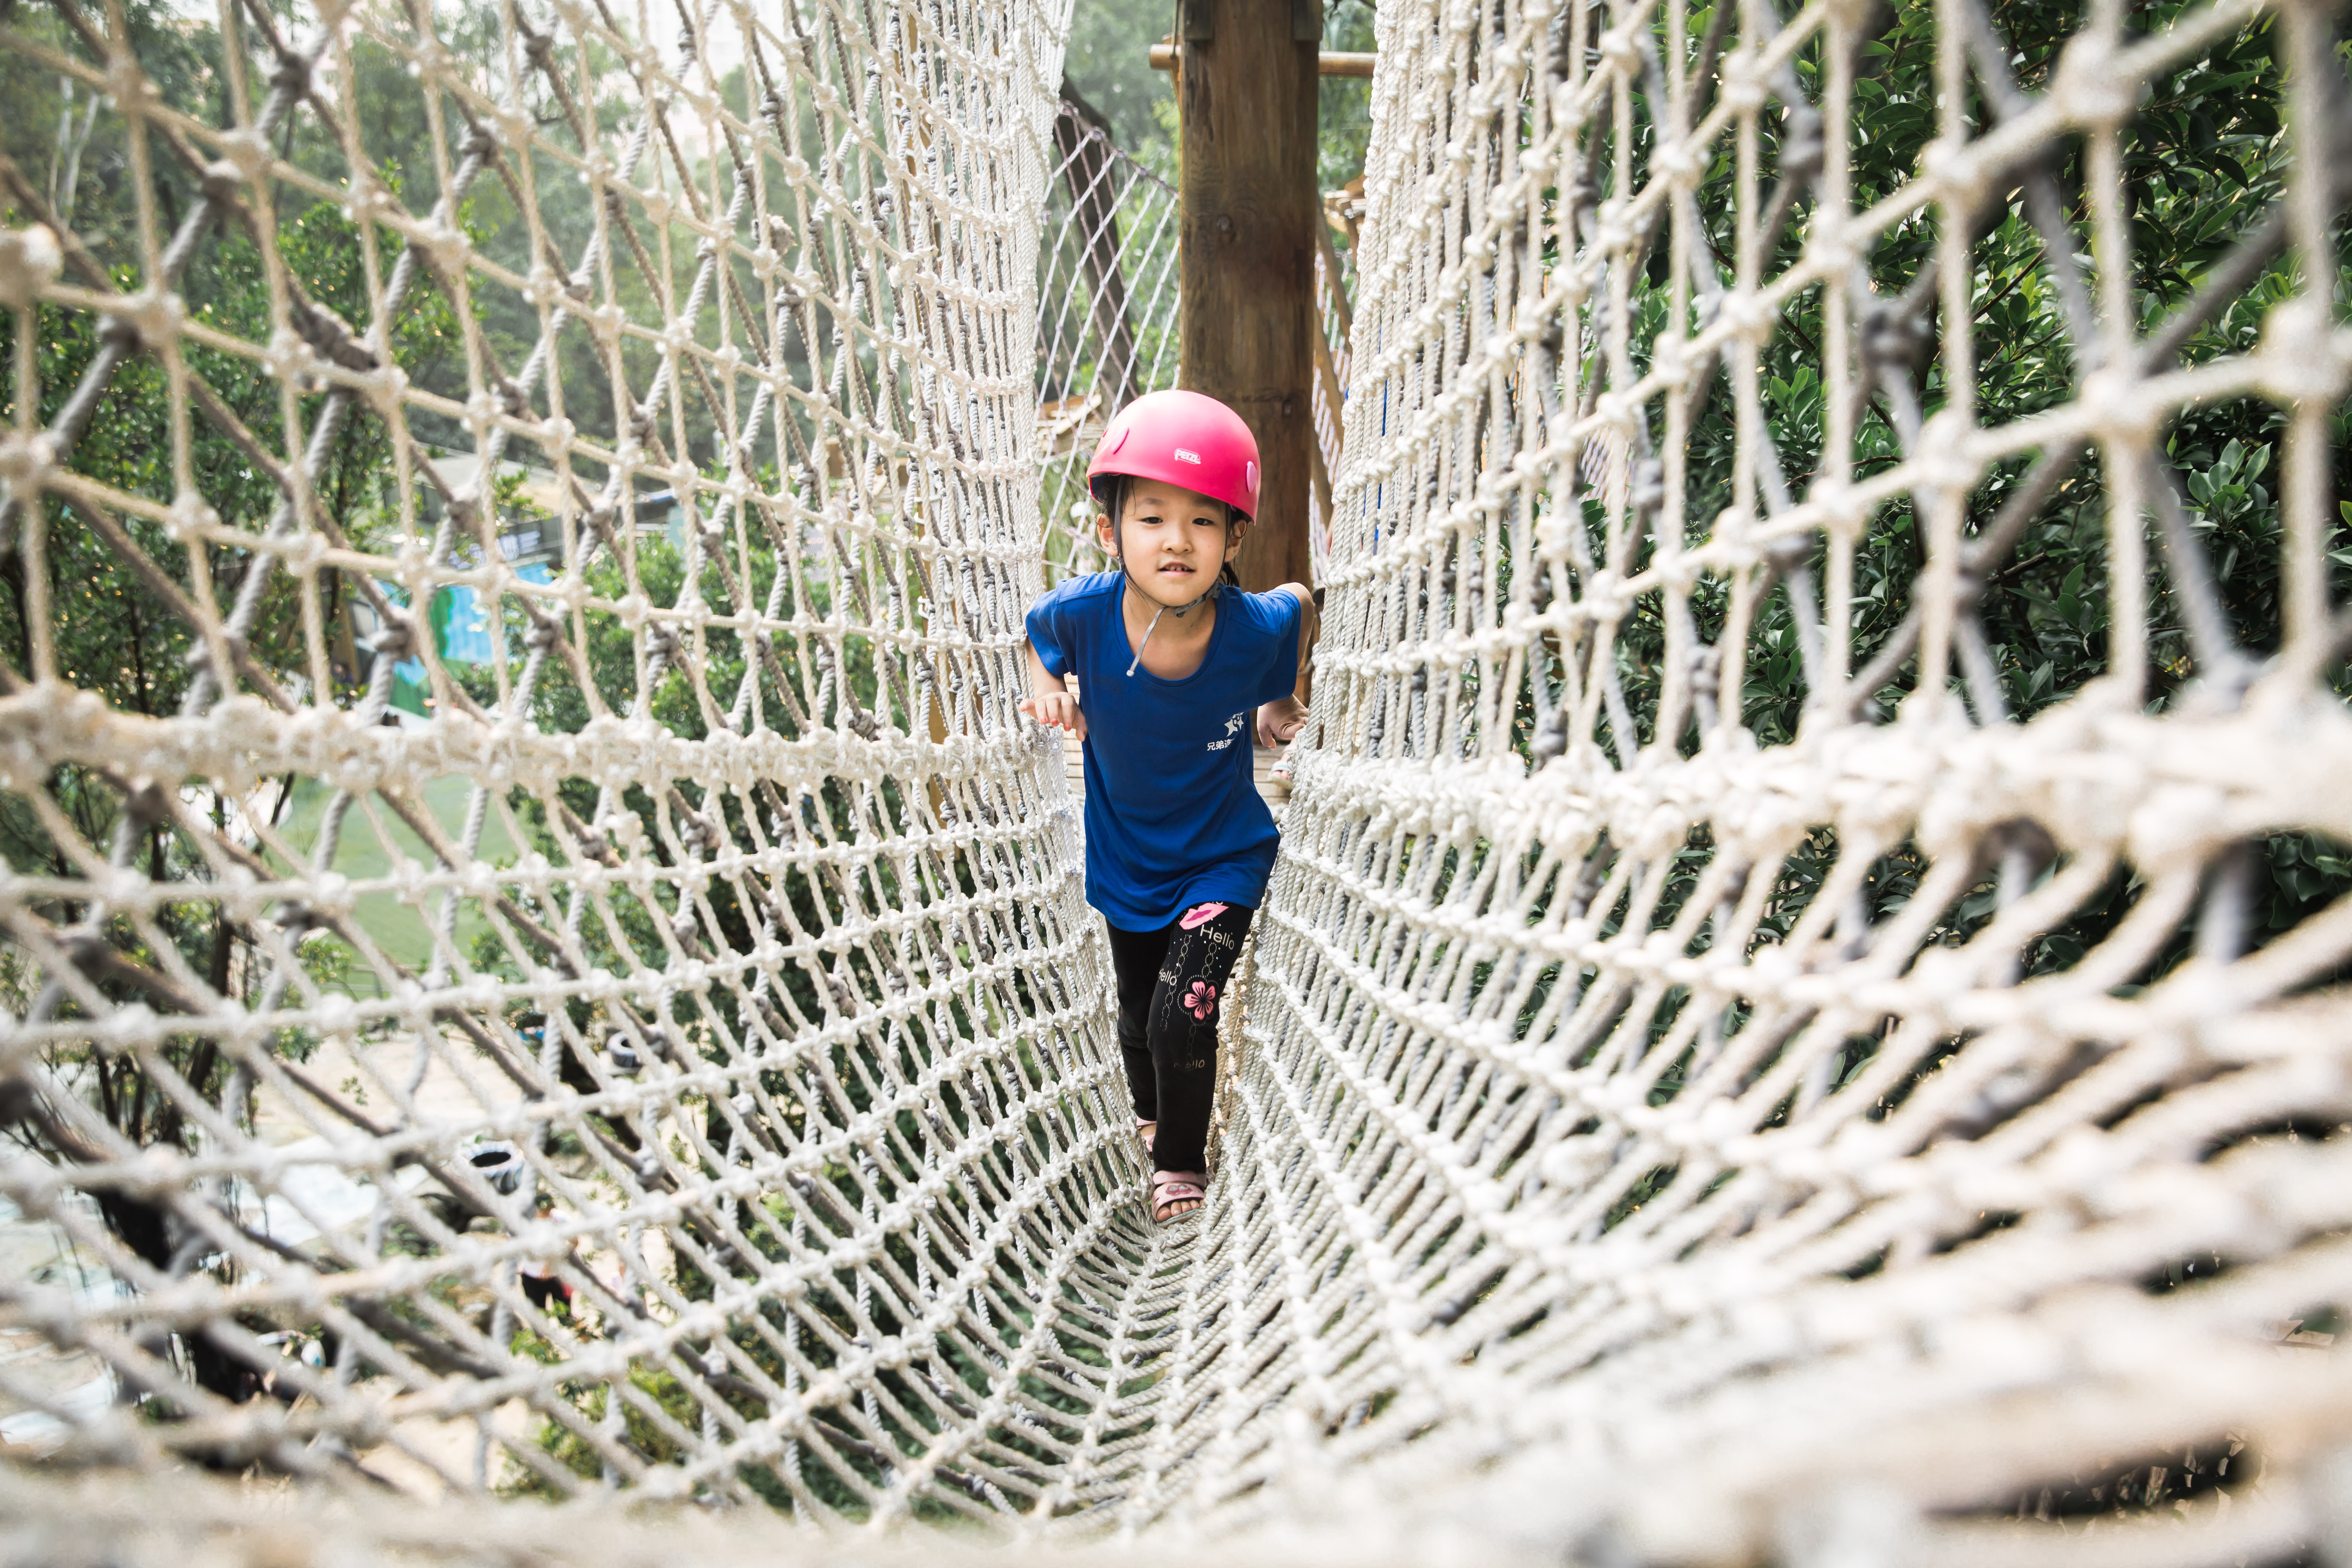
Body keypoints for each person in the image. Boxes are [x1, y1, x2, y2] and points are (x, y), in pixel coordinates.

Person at [1019, 390, 1317, 1224]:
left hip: (1224, 855)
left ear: (1233, 540)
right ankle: (1154, 1116)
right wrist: (1047, 690)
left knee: (1184, 1010)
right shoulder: (1080, 616)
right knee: (1136, 1013)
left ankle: (1181, 1163)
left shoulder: (1251, 627)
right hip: (1125, 859)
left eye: (1202, 522)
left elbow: (1299, 598)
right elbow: (1036, 633)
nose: (1177, 540)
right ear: (1111, 532)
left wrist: (1276, 697)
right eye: (1151, 518)